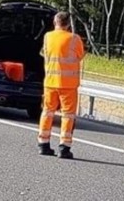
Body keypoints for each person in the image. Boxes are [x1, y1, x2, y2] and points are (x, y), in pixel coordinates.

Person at [37, 11, 85, 159]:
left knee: (47, 112)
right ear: (68, 24)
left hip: (50, 82)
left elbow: (43, 53)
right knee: (68, 116)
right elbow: (80, 55)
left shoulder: (47, 37)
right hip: (68, 84)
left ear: (55, 22)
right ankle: (64, 147)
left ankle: (43, 144)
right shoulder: (74, 39)